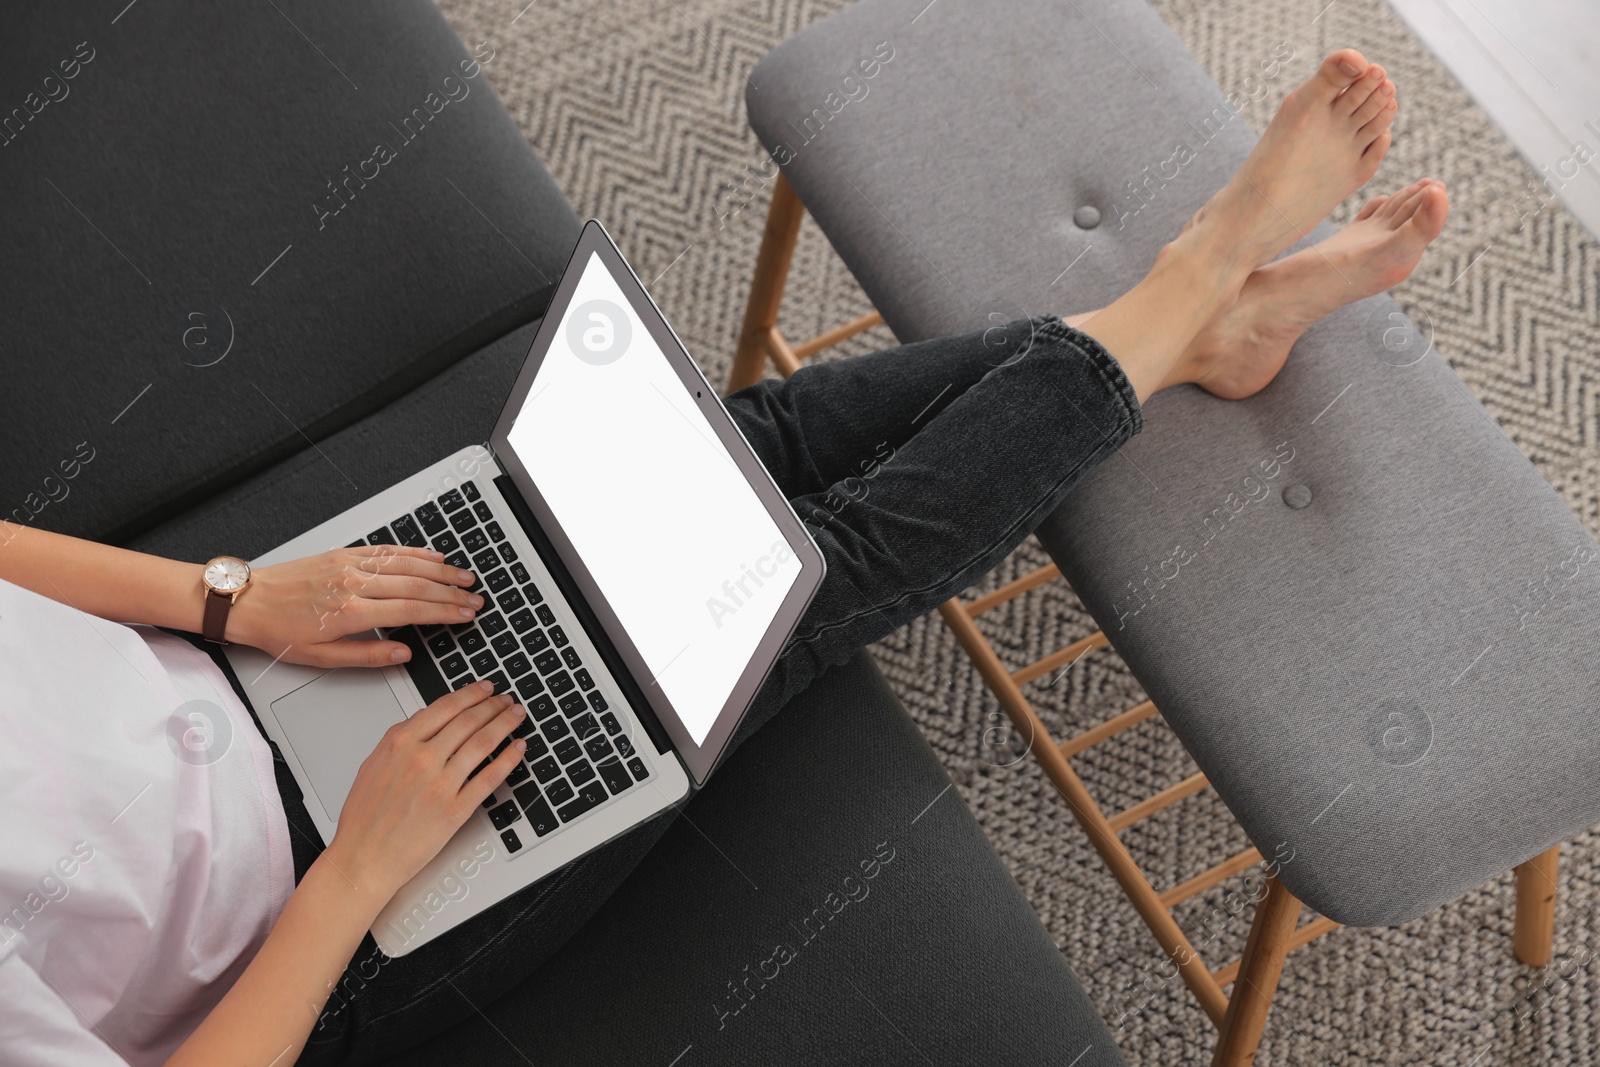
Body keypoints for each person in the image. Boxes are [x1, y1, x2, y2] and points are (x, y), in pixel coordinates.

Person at [0, 49, 1445, 1066]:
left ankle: (1194, 332)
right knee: (795, 579)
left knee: (714, 456)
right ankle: (1190, 287)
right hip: (312, 924)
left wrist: (232, 594)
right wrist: (356, 867)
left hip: (252, 645)